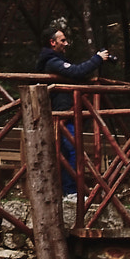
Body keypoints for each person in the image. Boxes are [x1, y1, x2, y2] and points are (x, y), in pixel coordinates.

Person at [37, 20, 115, 196]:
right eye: (62, 40)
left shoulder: (54, 61)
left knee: (67, 151)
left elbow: (74, 72)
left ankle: (67, 191)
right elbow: (76, 71)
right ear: (52, 42)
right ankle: (71, 192)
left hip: (65, 113)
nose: (66, 44)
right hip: (60, 114)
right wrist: (97, 59)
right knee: (72, 150)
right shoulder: (51, 61)